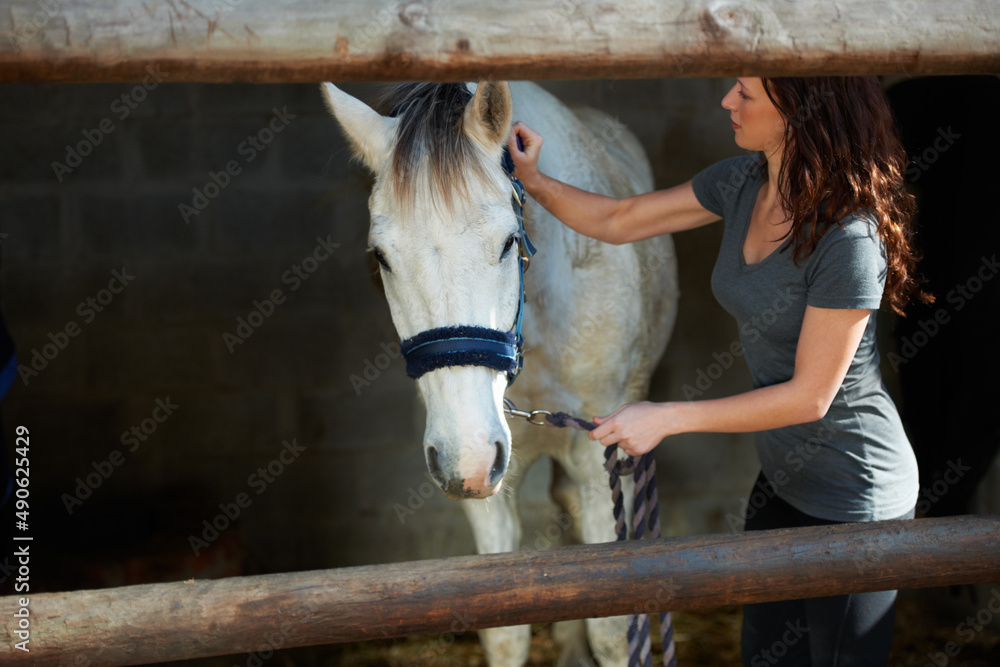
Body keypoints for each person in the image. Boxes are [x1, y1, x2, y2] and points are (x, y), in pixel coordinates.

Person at [507, 76, 929, 666]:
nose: (727, 101)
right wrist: (532, 180)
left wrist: (666, 418)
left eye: (746, 94)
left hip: (857, 496)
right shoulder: (739, 183)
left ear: (799, 110)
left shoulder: (849, 238)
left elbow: (810, 397)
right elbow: (621, 218)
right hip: (783, 480)